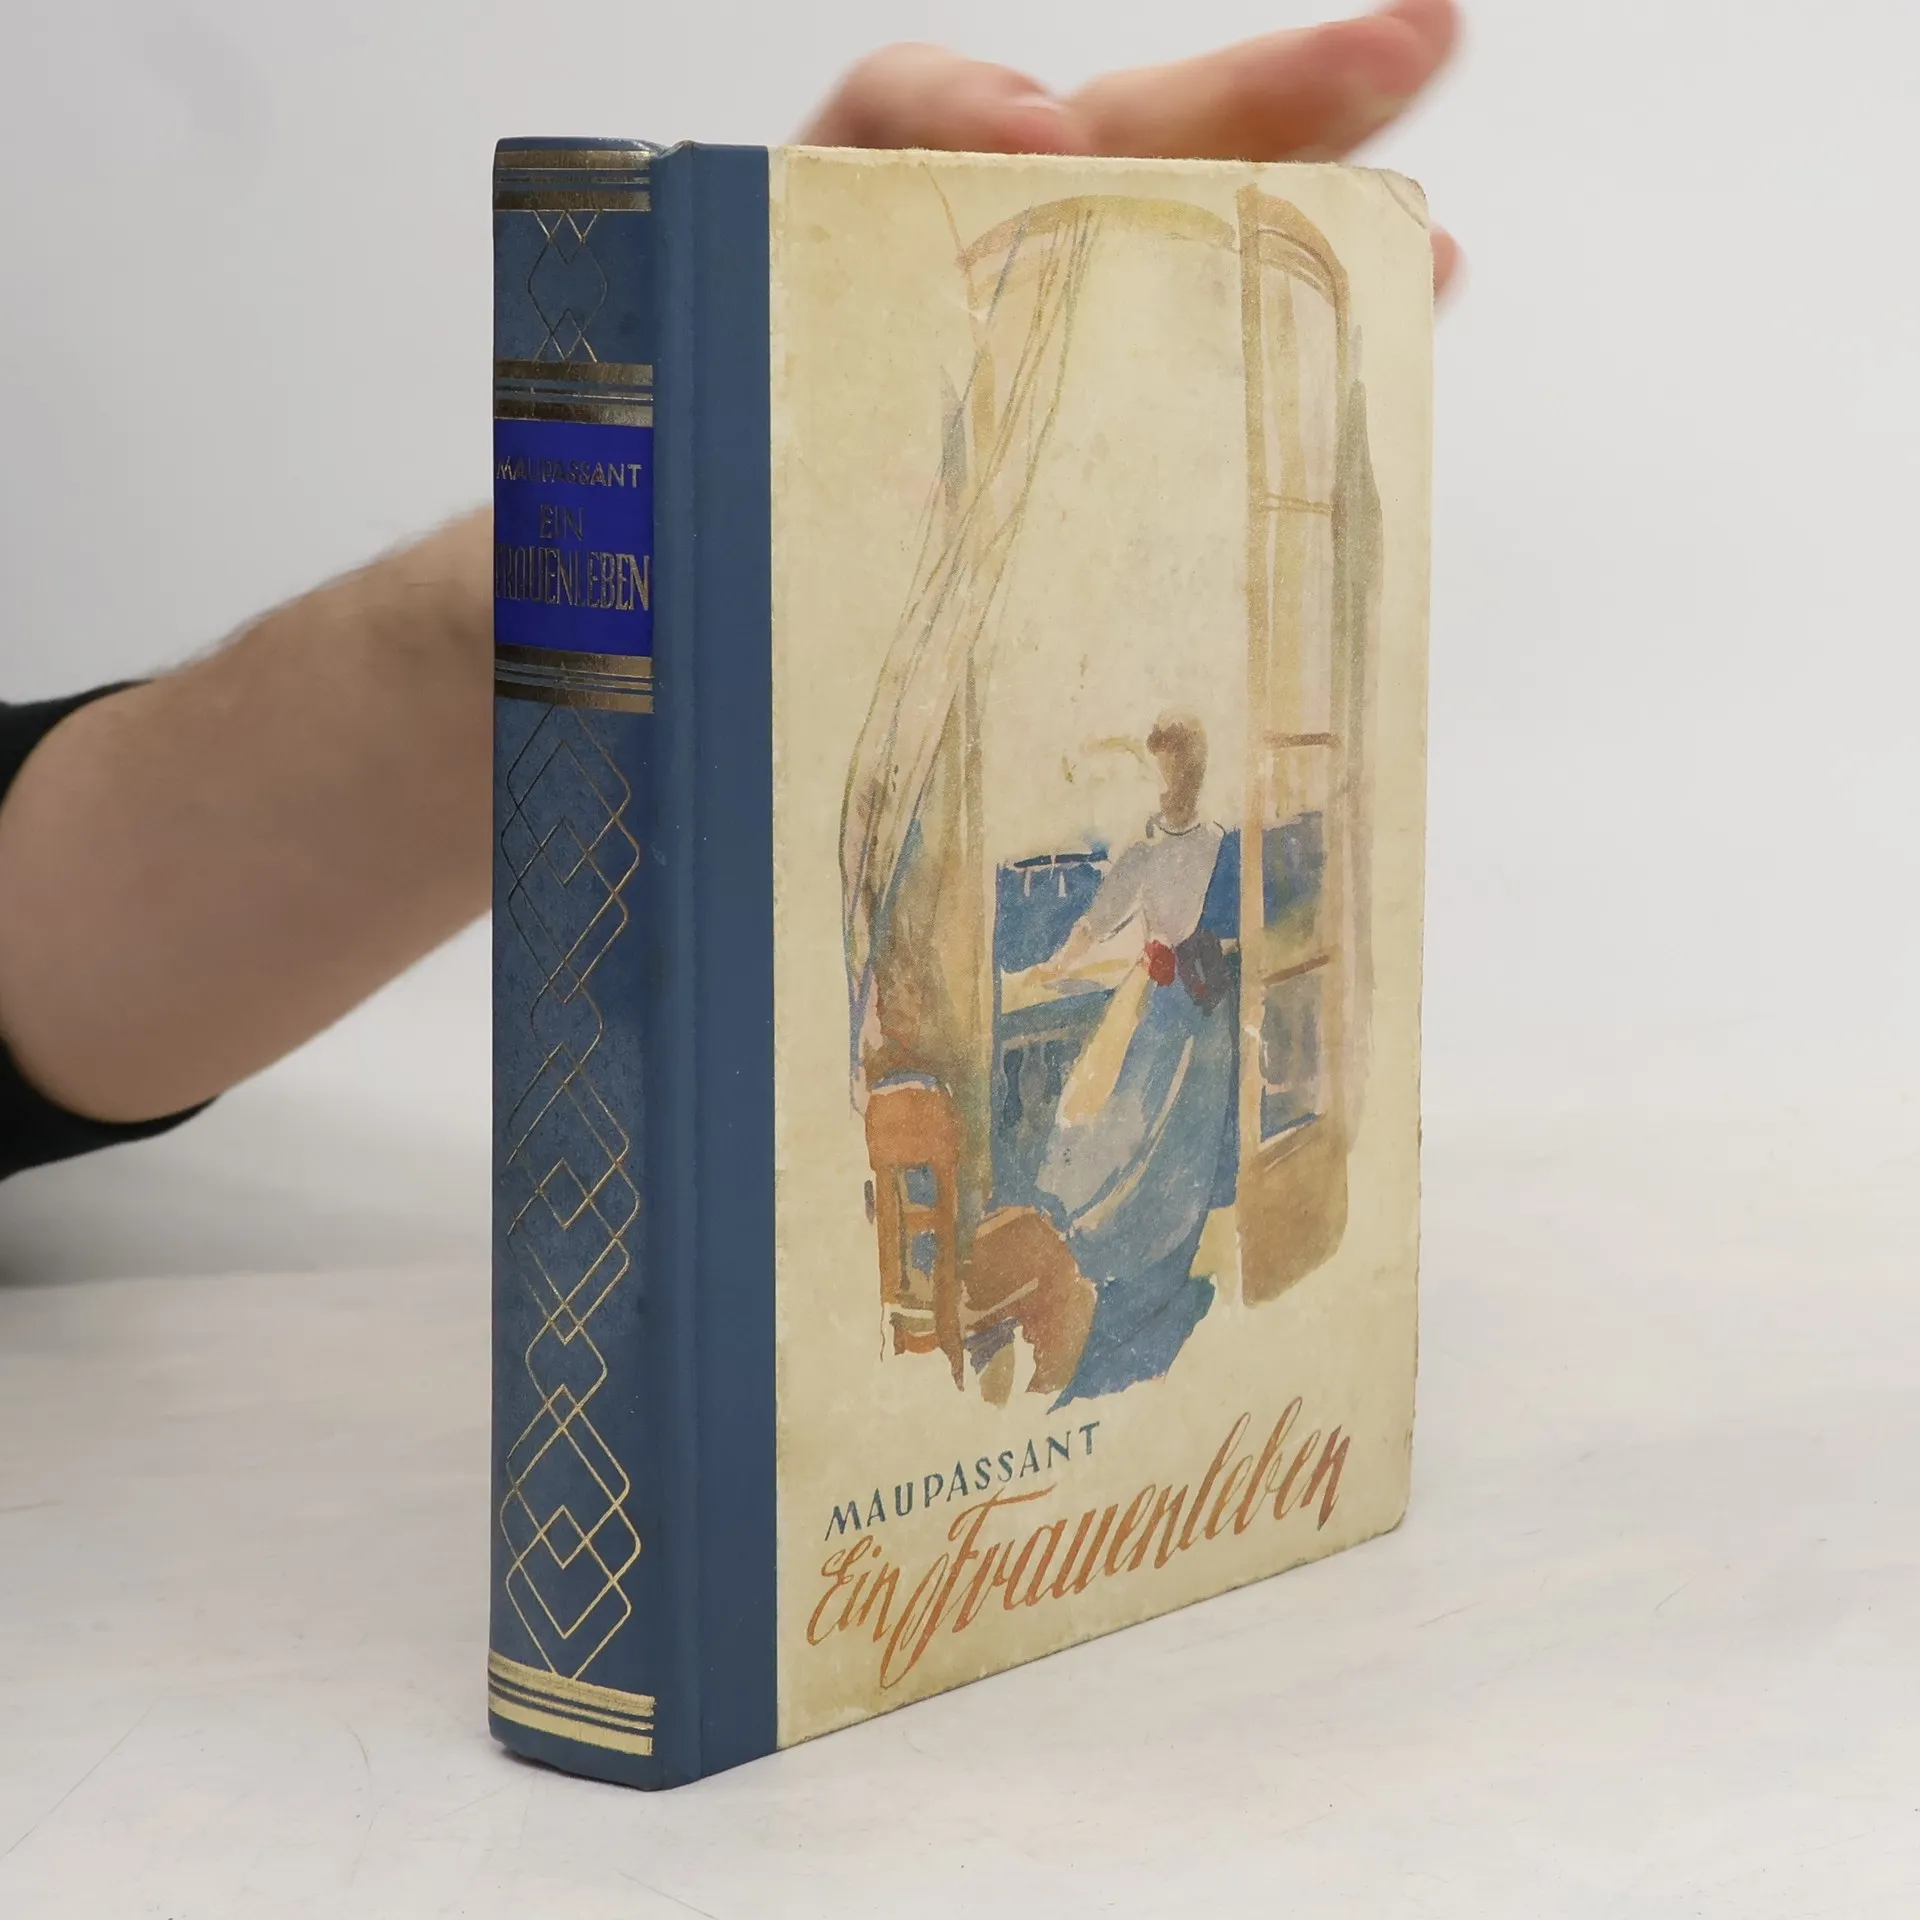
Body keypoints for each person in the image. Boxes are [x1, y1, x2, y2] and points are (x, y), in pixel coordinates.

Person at [0, 2, 1460, 1183]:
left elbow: (41, 938)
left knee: (1104, 1114)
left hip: (1174, 1006)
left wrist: (568, 589)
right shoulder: (1153, 850)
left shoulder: (1196, 851)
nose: (1158, 776)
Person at [1029, 717, 1238, 1401]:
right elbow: (1100, 917)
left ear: (1196, 774)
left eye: (1184, 770)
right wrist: (1056, 967)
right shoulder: (1143, 851)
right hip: (1153, 1001)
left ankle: (1172, 1253)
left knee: (1186, 1132)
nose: (1174, 784)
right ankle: (1112, 1240)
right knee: (1114, 1110)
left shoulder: (1219, 843)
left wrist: (1207, 952)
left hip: (1202, 1004)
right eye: (1165, 771)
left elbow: (1235, 925)